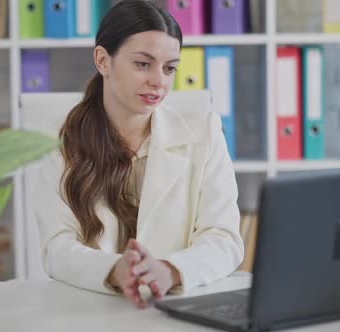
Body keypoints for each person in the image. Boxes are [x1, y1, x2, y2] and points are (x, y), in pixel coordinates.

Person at [35, 0, 244, 308]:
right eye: (143, 64)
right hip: (92, 311)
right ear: (103, 61)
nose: (159, 81)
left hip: (174, 309)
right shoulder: (60, 142)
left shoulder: (205, 133)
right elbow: (56, 247)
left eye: (169, 67)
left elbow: (224, 238)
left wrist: (171, 270)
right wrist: (112, 271)